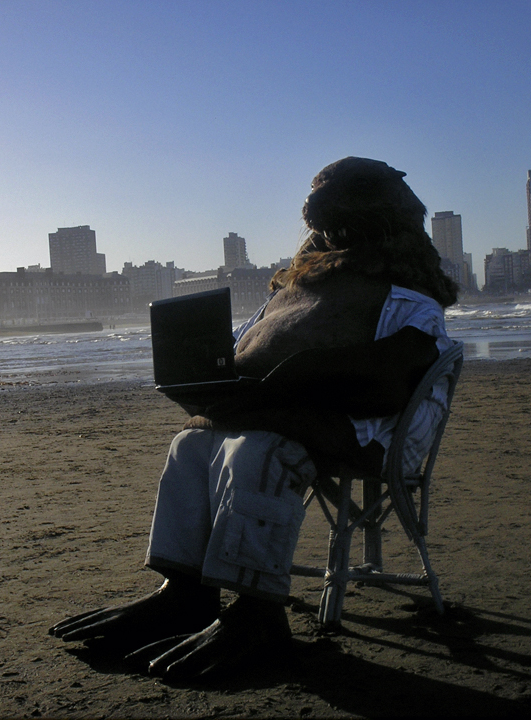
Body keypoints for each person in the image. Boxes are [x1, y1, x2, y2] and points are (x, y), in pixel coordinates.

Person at [50, 157, 459, 681]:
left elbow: (385, 385)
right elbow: (246, 349)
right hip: (291, 414)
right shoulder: (295, 290)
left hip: (370, 430)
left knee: (261, 451)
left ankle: (257, 613)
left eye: (333, 192)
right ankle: (185, 592)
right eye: (316, 190)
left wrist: (288, 379)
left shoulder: (406, 298)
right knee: (190, 447)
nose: (316, 203)